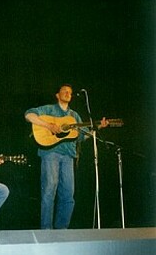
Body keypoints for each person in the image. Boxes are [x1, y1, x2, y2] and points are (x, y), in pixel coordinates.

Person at [25, 83, 108, 229]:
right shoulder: (49, 109)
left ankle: (62, 230)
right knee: (50, 189)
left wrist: (98, 127)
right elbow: (29, 114)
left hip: (69, 155)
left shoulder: (74, 115)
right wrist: (49, 126)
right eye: (64, 91)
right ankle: (46, 230)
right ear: (57, 95)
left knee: (68, 194)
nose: (68, 93)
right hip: (51, 152)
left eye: (70, 92)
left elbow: (80, 137)